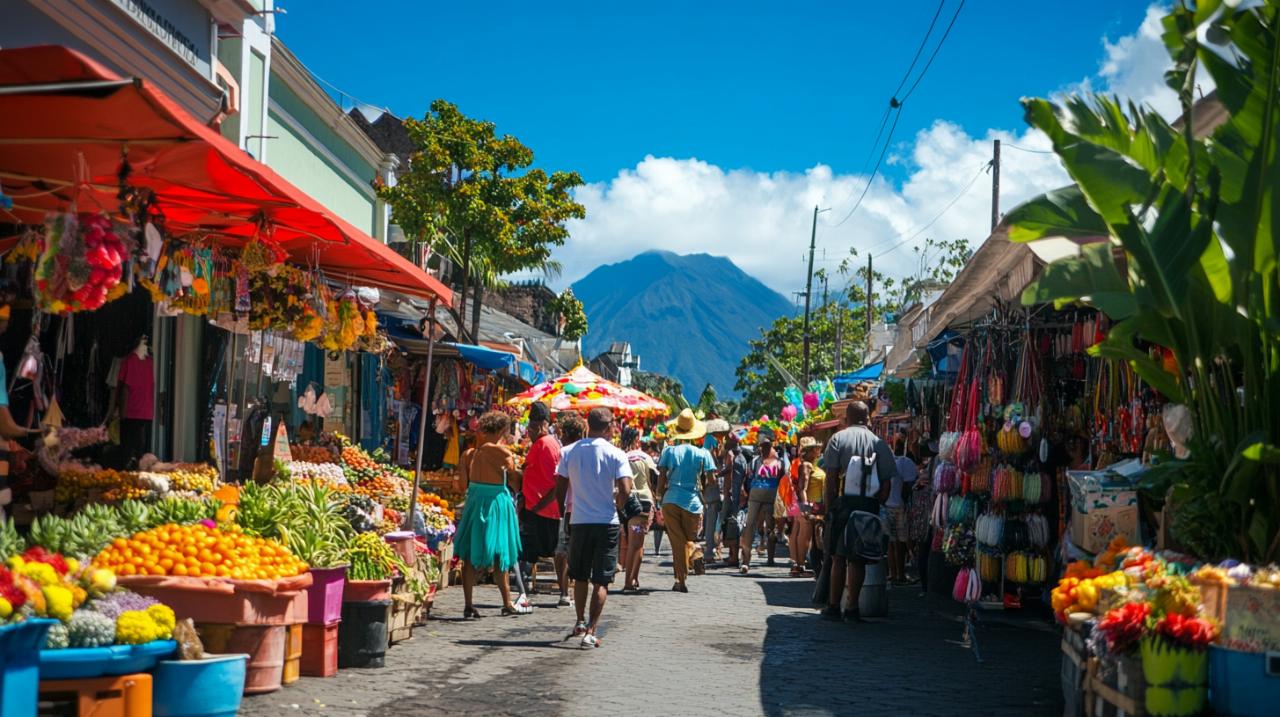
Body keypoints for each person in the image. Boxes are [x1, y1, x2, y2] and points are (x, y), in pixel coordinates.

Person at [555, 408, 634, 648]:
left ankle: (579, 621)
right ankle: (591, 629)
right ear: (609, 426)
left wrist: (562, 513)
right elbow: (627, 490)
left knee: (579, 576)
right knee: (601, 580)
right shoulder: (616, 454)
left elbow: (560, 486)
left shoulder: (568, 452)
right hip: (606, 522)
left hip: (578, 520)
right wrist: (617, 505)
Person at [821, 400, 898, 622]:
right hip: (868, 506)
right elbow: (886, 485)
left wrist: (830, 508)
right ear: (867, 418)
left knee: (838, 557)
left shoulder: (838, 439)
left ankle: (834, 606)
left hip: (844, 505)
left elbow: (831, 479)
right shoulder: (879, 444)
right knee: (858, 557)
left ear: (847, 417)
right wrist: (876, 503)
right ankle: (853, 607)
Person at [456, 411, 525, 618]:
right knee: (500, 553)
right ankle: (507, 603)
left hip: (474, 502)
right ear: (503, 430)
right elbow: (515, 482)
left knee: (468, 554)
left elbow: (460, 486)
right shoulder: (503, 453)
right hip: (496, 503)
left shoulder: (468, 454)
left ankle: (468, 604)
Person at [654, 409, 714, 592]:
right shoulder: (703, 454)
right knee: (688, 539)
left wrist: (658, 496)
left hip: (671, 500)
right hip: (693, 502)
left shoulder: (669, 451)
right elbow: (711, 480)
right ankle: (694, 553)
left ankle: (681, 579)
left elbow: (662, 477)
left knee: (677, 542)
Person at [518, 402, 563, 602]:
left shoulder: (545, 445)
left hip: (542, 511)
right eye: (530, 426)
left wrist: (537, 506)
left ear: (544, 425)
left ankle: (524, 591)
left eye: (534, 426)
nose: (531, 430)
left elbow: (556, 483)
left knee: (538, 551)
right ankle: (523, 589)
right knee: (529, 551)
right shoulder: (541, 444)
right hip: (536, 507)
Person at [553, 413, 586, 607]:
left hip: (568, 508)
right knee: (575, 553)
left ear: (566, 433)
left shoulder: (565, 452)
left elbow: (560, 483)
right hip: (585, 509)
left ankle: (565, 591)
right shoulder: (590, 450)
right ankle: (573, 589)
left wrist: (558, 509)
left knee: (561, 552)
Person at [739, 436, 783, 574]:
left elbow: (748, 478)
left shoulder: (760, 461)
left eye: (766, 446)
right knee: (752, 526)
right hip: (762, 496)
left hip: (763, 496)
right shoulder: (775, 462)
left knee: (766, 527)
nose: (763, 448)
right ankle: (747, 561)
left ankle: (766, 558)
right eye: (763, 446)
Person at [619, 426, 655, 593]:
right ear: (636, 440)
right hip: (643, 504)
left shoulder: (621, 457)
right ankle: (629, 581)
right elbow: (654, 479)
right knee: (638, 544)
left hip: (627, 503)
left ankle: (633, 578)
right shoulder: (645, 457)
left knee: (632, 540)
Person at [788, 436, 824, 577]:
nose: (819, 450)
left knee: (798, 533)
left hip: (806, 503)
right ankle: (800, 565)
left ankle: (798, 565)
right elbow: (803, 487)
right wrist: (806, 507)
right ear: (811, 450)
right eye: (817, 448)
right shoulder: (807, 465)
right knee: (805, 535)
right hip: (810, 503)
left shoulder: (808, 464)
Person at [886, 437, 917, 585]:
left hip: (887, 506)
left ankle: (893, 573)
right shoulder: (902, 464)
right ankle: (900, 574)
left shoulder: (886, 465)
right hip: (898, 506)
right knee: (900, 543)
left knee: (891, 543)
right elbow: (906, 487)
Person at [909, 439, 936, 595]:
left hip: (923, 520)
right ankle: (926, 585)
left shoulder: (927, 470)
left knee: (924, 553)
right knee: (925, 553)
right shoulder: (931, 467)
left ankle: (926, 586)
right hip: (927, 519)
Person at [722, 437, 751, 568]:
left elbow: (730, 469)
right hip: (739, 494)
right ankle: (733, 554)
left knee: (732, 523)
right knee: (735, 523)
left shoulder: (734, 456)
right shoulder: (743, 457)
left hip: (735, 495)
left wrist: (716, 474)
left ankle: (734, 556)